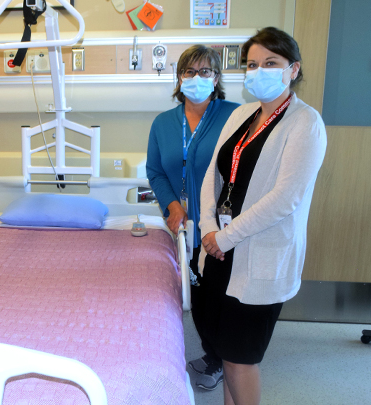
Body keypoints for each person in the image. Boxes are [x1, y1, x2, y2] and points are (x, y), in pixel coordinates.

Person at [197, 27, 326, 404]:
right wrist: (208, 228)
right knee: (225, 352)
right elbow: (213, 176)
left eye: (271, 63)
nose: (259, 71)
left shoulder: (305, 124)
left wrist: (225, 236)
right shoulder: (241, 114)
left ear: (294, 69)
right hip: (220, 249)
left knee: (241, 359)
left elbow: (286, 198)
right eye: (253, 64)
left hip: (257, 251)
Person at [146, 44, 240, 390]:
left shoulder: (236, 116)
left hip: (222, 227)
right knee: (198, 296)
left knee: (223, 295)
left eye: (205, 72)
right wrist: (172, 205)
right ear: (179, 77)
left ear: (216, 79)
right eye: (189, 71)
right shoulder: (163, 123)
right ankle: (215, 355)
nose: (196, 79)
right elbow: (155, 171)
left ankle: (226, 358)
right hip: (183, 227)